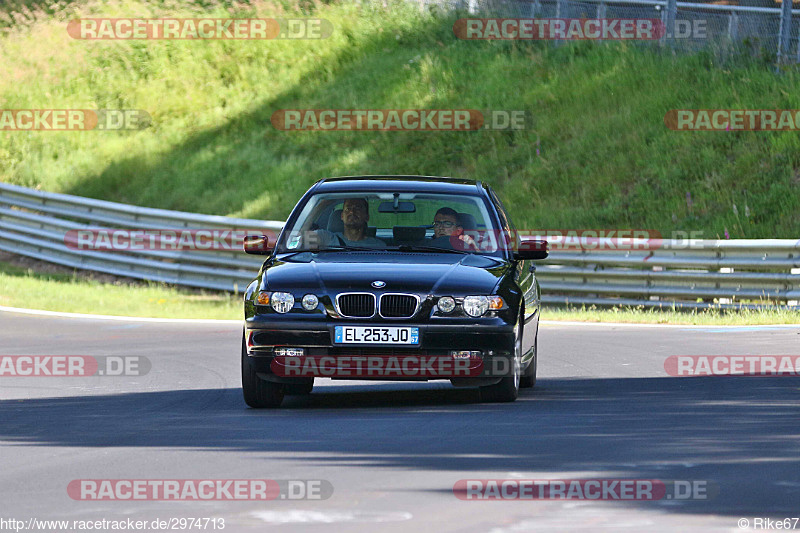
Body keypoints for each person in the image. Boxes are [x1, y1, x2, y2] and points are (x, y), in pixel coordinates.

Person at [313, 197, 385, 248]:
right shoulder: (325, 238)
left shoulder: (378, 246)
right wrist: (321, 205)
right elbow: (301, 240)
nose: (352, 212)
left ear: (367, 217)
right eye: (348, 209)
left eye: (358, 208)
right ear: (342, 216)